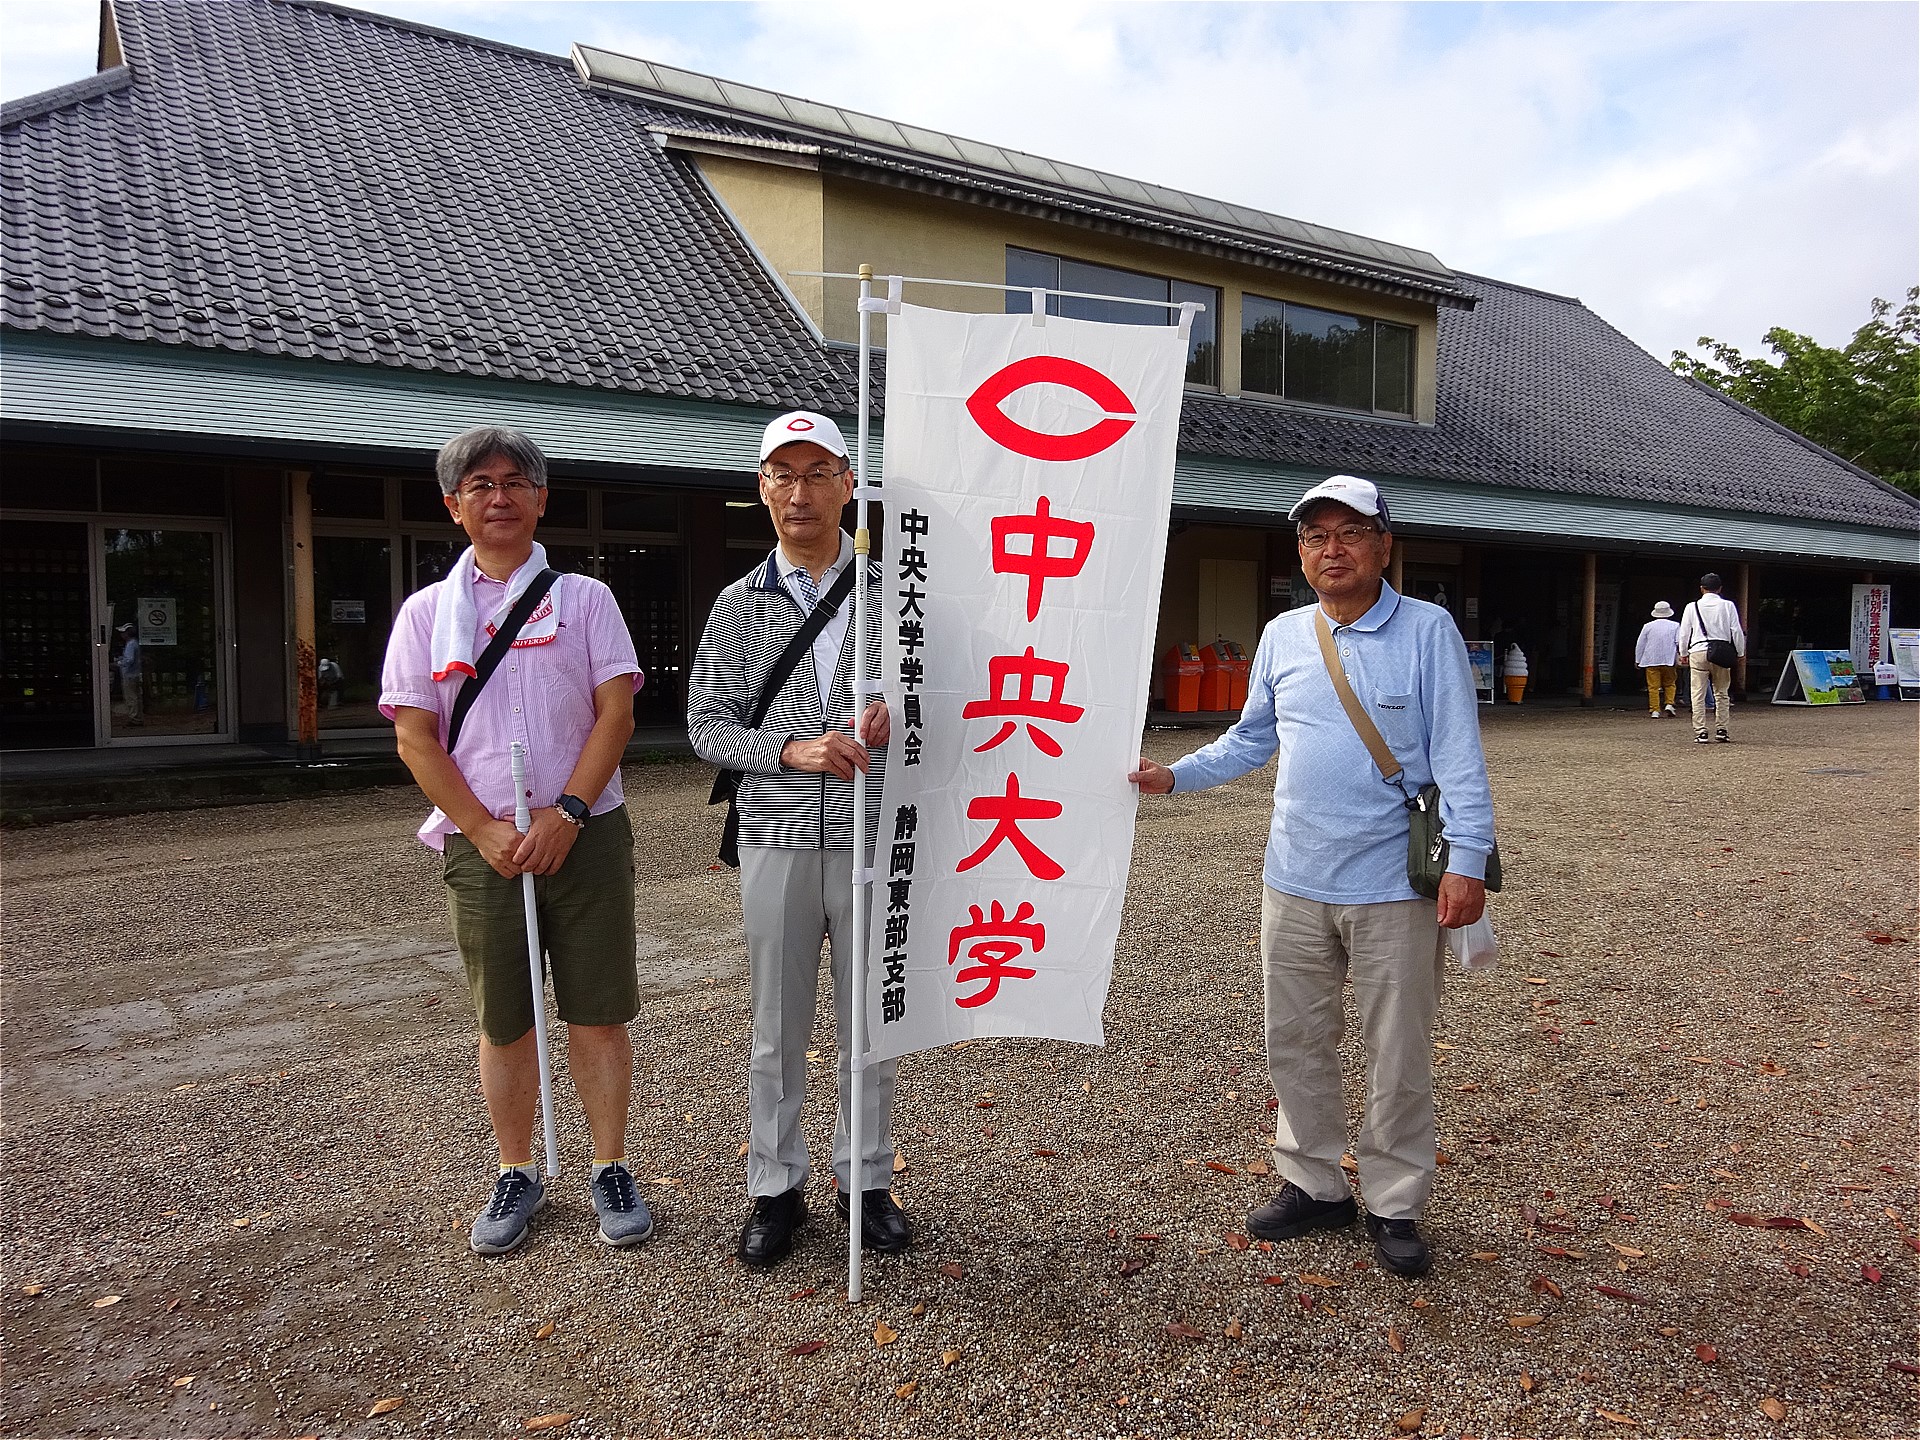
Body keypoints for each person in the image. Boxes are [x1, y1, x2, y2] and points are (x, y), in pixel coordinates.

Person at [1129, 474, 1496, 1279]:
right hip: (1293, 877)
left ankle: (1394, 1199)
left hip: (1396, 883)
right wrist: (1175, 776)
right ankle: (1314, 1182)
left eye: (1351, 533)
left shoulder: (1428, 630)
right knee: (1294, 1039)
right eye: (1316, 536)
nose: (1333, 549)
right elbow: (1250, 738)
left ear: (1384, 545)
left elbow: (1459, 754)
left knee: (1397, 1050)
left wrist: (1467, 862)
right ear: (1300, 551)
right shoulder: (1284, 635)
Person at [379, 425, 652, 1256]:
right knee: (505, 1019)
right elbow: (415, 737)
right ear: (453, 505)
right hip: (484, 842)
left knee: (598, 1011)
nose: (498, 498)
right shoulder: (426, 614)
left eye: (514, 483)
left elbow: (616, 713)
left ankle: (610, 1164)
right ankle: (515, 1168)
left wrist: (568, 812)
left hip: (586, 830)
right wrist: (482, 828)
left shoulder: (587, 600)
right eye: (480, 485)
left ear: (541, 499)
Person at [687, 410, 906, 1270]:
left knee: (870, 1024)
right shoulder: (737, 605)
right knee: (776, 1026)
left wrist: (900, 715)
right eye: (783, 474)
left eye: (818, 473)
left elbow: (945, 700)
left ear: (849, 484)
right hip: (775, 833)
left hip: (871, 835)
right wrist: (789, 749)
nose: (800, 492)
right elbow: (706, 725)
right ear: (761, 489)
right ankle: (775, 1187)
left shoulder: (897, 593)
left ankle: (866, 1180)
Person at [1675, 573, 1746, 744]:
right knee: (1721, 692)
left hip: (1698, 650)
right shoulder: (1728, 605)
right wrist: (1740, 652)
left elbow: (1684, 632)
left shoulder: (1692, 607)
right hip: (1721, 652)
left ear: (1701, 589)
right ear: (1720, 589)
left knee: (1697, 693)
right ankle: (1722, 729)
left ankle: (1701, 731)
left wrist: (1683, 653)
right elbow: (1736, 631)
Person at [1635, 601, 1680, 718]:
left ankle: (1655, 710)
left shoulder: (1648, 626)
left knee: (1653, 687)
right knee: (1670, 683)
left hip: (1651, 659)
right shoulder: (1675, 625)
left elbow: (1640, 644)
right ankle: (1669, 703)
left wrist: (1638, 659)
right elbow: (1678, 642)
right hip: (1669, 659)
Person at [115, 623, 143, 726]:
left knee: (131, 697)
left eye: (123, 632)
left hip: (129, 674)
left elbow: (129, 660)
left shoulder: (130, 644)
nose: (121, 634)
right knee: (136, 697)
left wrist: (119, 663)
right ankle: (138, 717)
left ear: (127, 633)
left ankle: (134, 718)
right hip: (134, 674)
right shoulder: (134, 643)